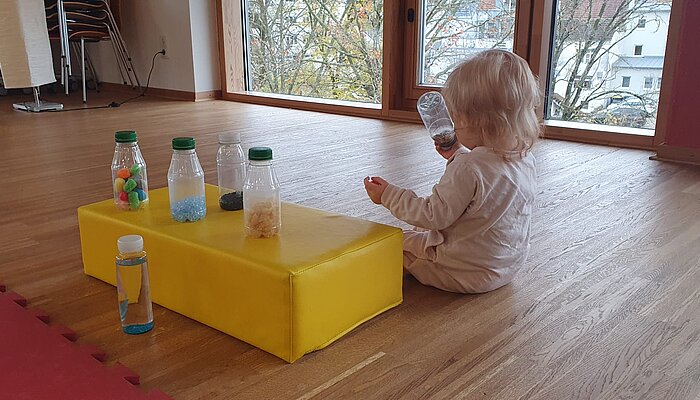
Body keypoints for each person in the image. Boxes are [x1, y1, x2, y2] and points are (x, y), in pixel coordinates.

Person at [363, 49, 540, 294]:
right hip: (504, 266)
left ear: (477, 122)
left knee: (393, 243)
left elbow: (433, 215)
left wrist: (388, 196)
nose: (453, 127)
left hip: (462, 272)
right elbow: (486, 197)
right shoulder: (524, 158)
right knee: (425, 233)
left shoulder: (468, 167)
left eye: (455, 121)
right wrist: (458, 150)